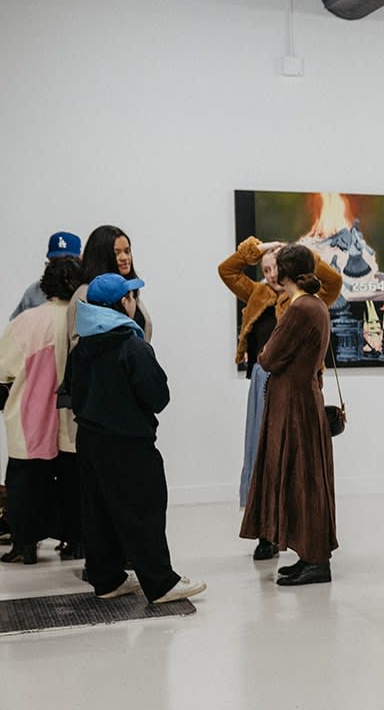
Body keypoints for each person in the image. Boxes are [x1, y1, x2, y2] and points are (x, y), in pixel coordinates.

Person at [66, 273, 204, 603]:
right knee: (144, 510)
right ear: (122, 303)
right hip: (129, 443)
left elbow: (70, 390)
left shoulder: (82, 346)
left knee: (98, 512)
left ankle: (107, 579)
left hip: (89, 440)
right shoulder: (132, 345)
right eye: (132, 297)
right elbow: (158, 396)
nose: (135, 302)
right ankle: (160, 583)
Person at [218, 236, 342, 559]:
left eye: (276, 268)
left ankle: (293, 540)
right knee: (262, 453)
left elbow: (335, 280)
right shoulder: (259, 294)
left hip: (291, 385)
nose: (271, 275)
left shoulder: (302, 304)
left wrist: (304, 256)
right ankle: (268, 532)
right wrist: (255, 250)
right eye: (266, 269)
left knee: (288, 460)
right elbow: (227, 271)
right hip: (268, 384)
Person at [0, 255, 84, 564]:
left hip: (30, 418)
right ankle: (77, 541)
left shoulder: (27, 321)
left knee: (25, 484)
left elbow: (3, 369)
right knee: (74, 484)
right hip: (73, 419)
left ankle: (25, 544)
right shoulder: (83, 318)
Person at [70, 225, 152, 341]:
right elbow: (77, 344)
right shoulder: (85, 294)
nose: (124, 258)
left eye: (127, 251)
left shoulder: (130, 290)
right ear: (101, 257)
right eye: (116, 253)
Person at [10, 230, 80, 320]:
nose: (61, 267)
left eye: (67, 261)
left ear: (79, 260)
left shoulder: (84, 292)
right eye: (55, 261)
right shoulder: (34, 291)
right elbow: (16, 325)